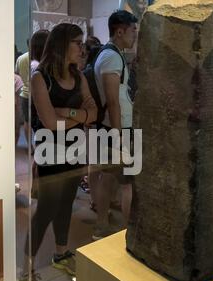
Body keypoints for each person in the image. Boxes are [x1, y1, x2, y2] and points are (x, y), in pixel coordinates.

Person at [17, 23, 97, 281]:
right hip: (51, 154)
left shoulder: (78, 75)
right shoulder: (41, 78)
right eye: (77, 42)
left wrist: (69, 111)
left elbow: (93, 112)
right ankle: (25, 272)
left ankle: (61, 253)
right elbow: (49, 123)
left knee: (65, 205)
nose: (82, 47)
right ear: (62, 45)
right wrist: (79, 116)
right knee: (46, 211)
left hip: (74, 152)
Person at [92, 10, 138, 240]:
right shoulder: (112, 57)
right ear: (119, 31)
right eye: (133, 31)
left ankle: (102, 226)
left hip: (114, 128)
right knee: (127, 182)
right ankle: (129, 233)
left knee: (109, 177)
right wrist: (119, 136)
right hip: (119, 128)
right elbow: (112, 100)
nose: (135, 36)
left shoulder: (112, 54)